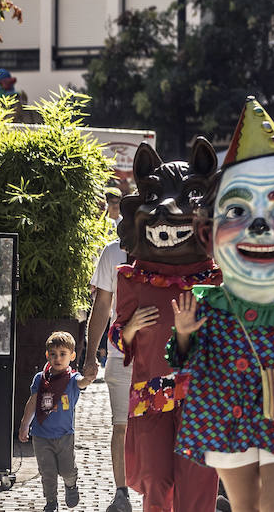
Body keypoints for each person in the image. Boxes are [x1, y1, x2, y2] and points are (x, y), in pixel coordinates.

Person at [169, 99, 274, 512]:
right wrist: (183, 335)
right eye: (237, 210)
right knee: (244, 503)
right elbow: (182, 362)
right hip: (224, 413)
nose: (260, 227)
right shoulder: (207, 304)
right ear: (208, 232)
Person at [110, 142, 224, 512]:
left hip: (200, 396)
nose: (166, 209)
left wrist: (188, 335)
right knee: (156, 483)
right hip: (152, 394)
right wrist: (129, 331)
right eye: (157, 196)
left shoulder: (218, 282)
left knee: (197, 485)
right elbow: (117, 334)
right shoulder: (133, 280)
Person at [83, 188, 133, 512]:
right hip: (120, 353)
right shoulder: (113, 252)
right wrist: (90, 356)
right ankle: (122, 493)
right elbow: (101, 306)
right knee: (121, 426)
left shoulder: (173, 251)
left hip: (165, 354)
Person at [19, 331, 94, 512]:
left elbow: (82, 383)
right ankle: (51, 502)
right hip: (41, 435)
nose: (57, 358)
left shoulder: (73, 378)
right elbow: (33, 401)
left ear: (72, 356)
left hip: (64, 436)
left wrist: (89, 378)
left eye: (63, 354)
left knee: (67, 470)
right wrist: (24, 425)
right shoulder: (40, 378)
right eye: (53, 354)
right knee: (48, 473)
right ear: (47, 355)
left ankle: (71, 485)